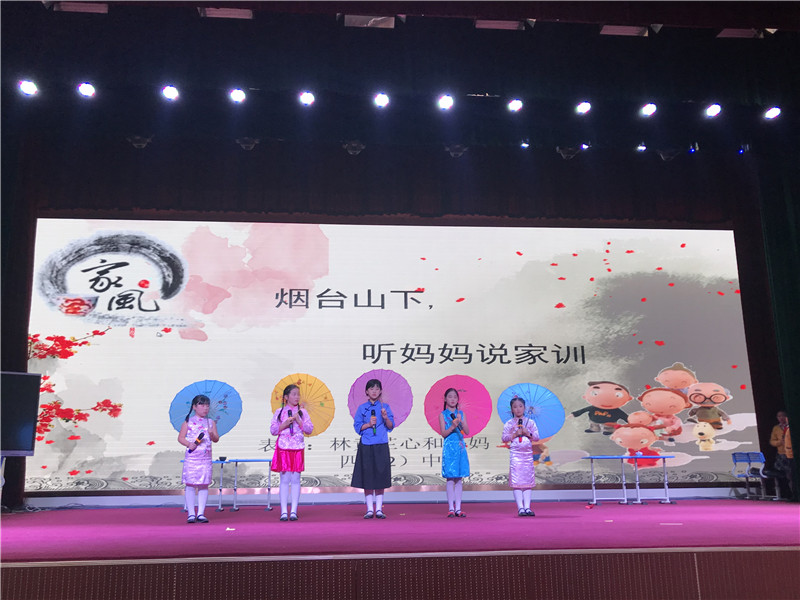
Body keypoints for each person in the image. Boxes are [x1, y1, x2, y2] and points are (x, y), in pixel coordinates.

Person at [351, 378, 395, 519]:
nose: (374, 391)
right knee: (368, 477)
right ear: (366, 391)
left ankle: (379, 509)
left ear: (380, 391)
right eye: (371, 389)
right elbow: (357, 427)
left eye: (377, 389)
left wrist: (385, 417)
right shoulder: (362, 408)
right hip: (367, 444)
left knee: (380, 477)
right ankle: (370, 509)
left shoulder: (385, 407)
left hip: (381, 443)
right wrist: (369, 424)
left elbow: (391, 426)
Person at [270, 384, 314, 521]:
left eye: (298, 394)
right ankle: (284, 511)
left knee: (295, 479)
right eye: (294, 394)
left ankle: (294, 511)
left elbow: (309, 429)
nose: (297, 397)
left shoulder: (302, 412)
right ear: (286, 397)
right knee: (284, 479)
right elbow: (273, 430)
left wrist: (299, 421)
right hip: (283, 448)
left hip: (298, 448)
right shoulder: (279, 412)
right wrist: (284, 424)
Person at [178, 394, 219, 524]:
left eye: (207, 405)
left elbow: (216, 439)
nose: (205, 408)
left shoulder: (211, 422)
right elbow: (181, 438)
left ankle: (201, 513)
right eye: (202, 405)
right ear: (194, 407)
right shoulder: (188, 422)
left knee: (204, 485)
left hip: (205, 459)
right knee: (190, 485)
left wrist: (212, 434)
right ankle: (191, 513)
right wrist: (189, 444)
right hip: (192, 458)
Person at [502, 396, 540, 516]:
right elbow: (504, 438)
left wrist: (527, 433)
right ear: (511, 409)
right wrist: (514, 434)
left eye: (520, 406)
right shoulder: (509, 423)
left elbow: (537, 437)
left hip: (527, 454)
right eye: (515, 407)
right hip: (516, 454)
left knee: (528, 480)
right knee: (517, 480)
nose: (518, 409)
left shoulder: (530, 422)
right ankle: (520, 508)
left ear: (524, 408)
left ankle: (527, 507)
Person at [439, 387, 470, 517]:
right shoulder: (443, 415)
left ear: (458, 400)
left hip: (460, 447)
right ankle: (451, 508)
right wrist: (452, 426)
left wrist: (461, 422)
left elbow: (467, 432)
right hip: (449, 448)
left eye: (455, 397)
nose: (452, 399)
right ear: (445, 399)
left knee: (459, 478)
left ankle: (458, 508)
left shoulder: (461, 414)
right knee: (450, 478)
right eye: (450, 397)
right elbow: (443, 433)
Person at [770, 410, 793, 496]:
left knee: (792, 474)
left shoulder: (790, 426)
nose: (781, 418)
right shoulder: (776, 428)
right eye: (779, 416)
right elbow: (772, 441)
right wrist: (780, 442)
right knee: (786, 475)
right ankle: (789, 494)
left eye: (782, 416)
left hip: (791, 454)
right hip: (782, 454)